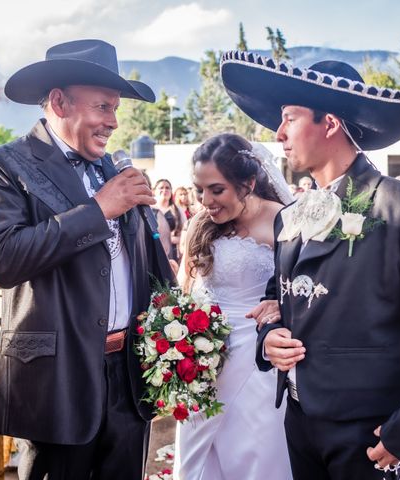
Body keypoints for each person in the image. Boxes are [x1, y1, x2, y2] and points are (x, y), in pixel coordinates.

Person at [220, 50, 400, 478]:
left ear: (330, 122)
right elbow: (278, 293)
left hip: (370, 431)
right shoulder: (291, 215)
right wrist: (269, 335)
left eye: (290, 117)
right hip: (298, 422)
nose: (279, 132)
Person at [0, 39, 173, 479]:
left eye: (116, 109)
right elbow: (4, 259)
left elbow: (147, 266)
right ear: (59, 101)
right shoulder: (2, 166)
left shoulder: (114, 171)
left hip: (128, 375)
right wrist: (98, 210)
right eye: (103, 107)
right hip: (56, 382)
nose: (114, 122)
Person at [174, 134, 293, 479]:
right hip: (202, 363)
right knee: (196, 456)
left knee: (253, 452)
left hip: (258, 360)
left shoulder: (284, 222)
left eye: (216, 189)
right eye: (200, 190)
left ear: (248, 183)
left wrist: (282, 308)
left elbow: (304, 289)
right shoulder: (202, 224)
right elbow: (186, 286)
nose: (206, 201)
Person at [153, 178, 186, 262]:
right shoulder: (149, 209)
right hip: (153, 251)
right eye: (161, 188)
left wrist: (175, 239)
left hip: (173, 253)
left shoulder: (178, 210)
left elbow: (185, 233)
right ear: (154, 191)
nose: (164, 190)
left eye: (167, 188)